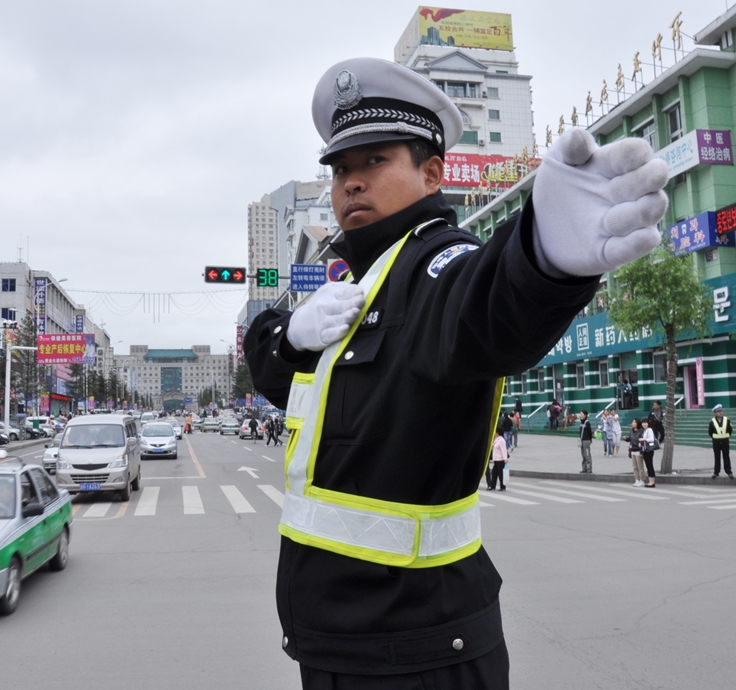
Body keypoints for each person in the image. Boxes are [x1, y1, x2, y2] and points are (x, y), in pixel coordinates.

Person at [243, 56, 668, 688]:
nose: (350, 184)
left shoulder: (436, 263)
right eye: (339, 169)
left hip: (418, 653)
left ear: (433, 172)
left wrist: (544, 255)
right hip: (342, 646)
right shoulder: (360, 279)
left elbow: (486, 308)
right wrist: (293, 339)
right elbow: (275, 371)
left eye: (374, 161)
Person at [708, 404, 734, 479]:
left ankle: (729, 472)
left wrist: (726, 436)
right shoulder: (712, 421)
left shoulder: (727, 420)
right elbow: (710, 432)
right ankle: (716, 472)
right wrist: (715, 438)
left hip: (725, 441)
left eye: (721, 411)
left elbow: (730, 430)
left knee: (726, 456)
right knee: (717, 457)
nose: (720, 413)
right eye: (718, 411)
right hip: (716, 442)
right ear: (715, 413)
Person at [623, 418, 646, 487]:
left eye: (634, 422)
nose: (633, 423)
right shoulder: (632, 431)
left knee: (640, 466)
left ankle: (642, 480)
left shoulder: (641, 431)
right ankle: (637, 479)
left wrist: (641, 452)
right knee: (635, 467)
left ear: (638, 423)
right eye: (632, 422)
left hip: (638, 450)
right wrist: (626, 439)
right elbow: (630, 439)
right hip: (633, 450)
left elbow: (642, 441)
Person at [639, 418, 657, 488]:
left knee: (650, 466)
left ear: (648, 423)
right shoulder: (645, 430)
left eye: (645, 423)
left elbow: (651, 439)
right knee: (648, 466)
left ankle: (652, 482)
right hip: (645, 450)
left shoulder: (649, 430)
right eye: (643, 423)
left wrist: (643, 439)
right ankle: (650, 481)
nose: (644, 424)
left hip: (649, 450)